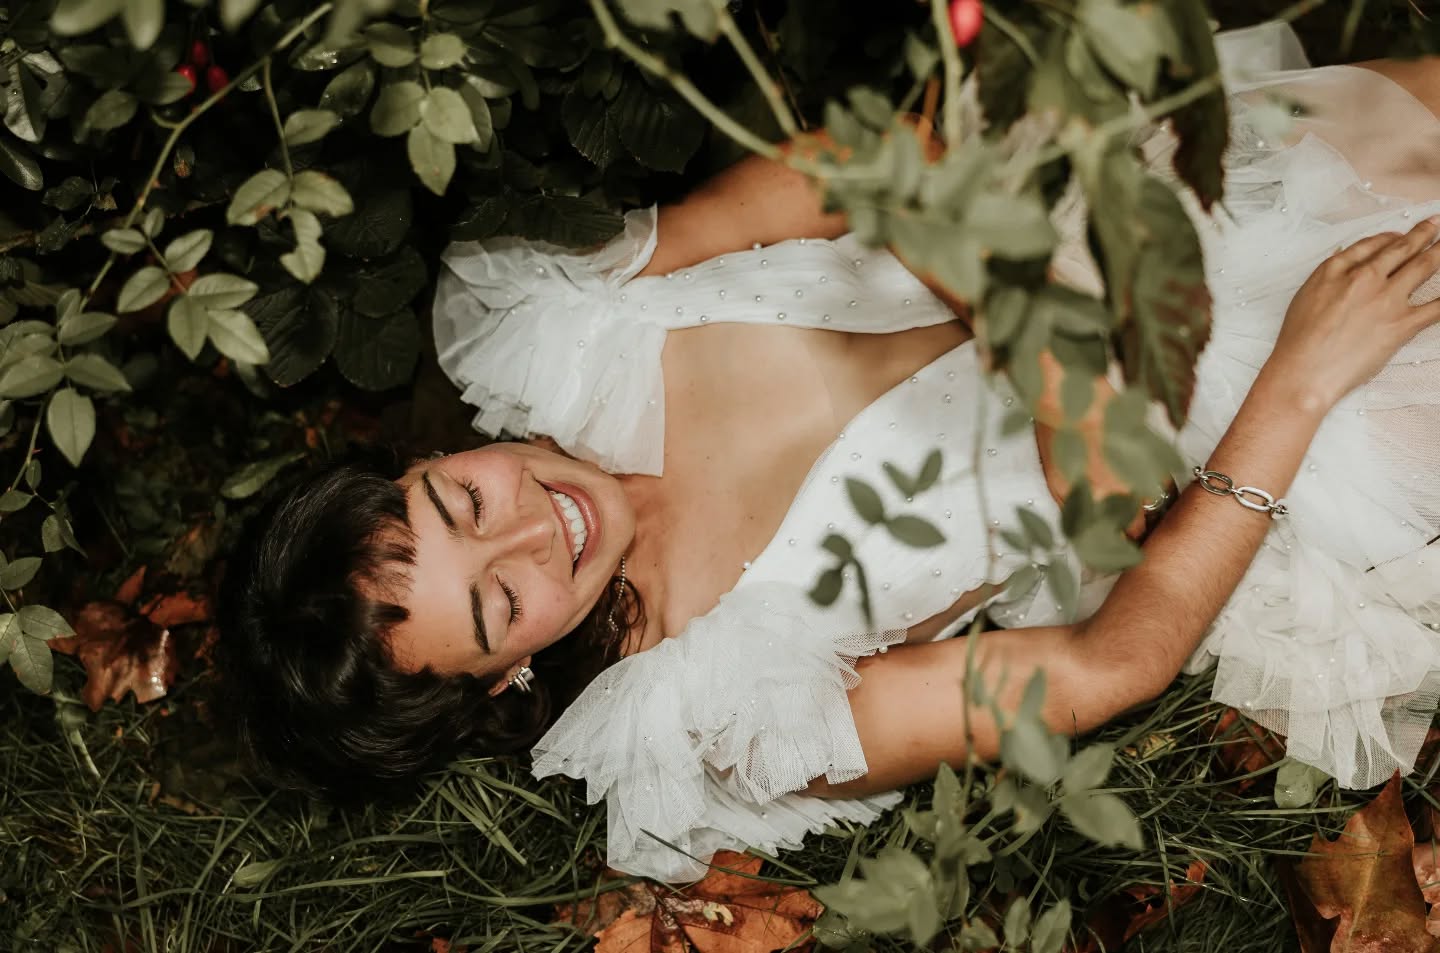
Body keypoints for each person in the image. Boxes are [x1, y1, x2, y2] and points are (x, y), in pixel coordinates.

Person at [218, 22, 1440, 881]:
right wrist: (1302, 377)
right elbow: (1116, 657)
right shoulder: (721, 713)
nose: (535, 523)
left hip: (1135, 195)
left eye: (460, 501)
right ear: (501, 681)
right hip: (1264, 407)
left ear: (421, 464)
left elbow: (862, 166)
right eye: (498, 597)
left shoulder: (568, 328)